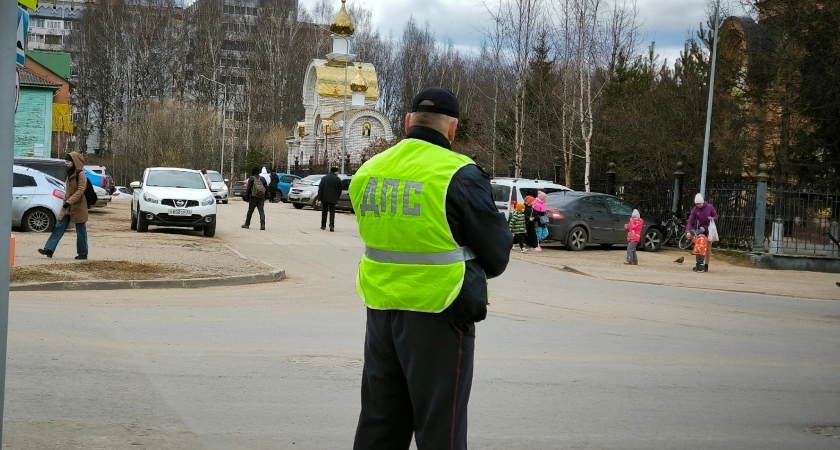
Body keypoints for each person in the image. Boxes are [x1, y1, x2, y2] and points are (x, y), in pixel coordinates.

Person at [349, 87, 512, 450]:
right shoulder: (459, 174)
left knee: (379, 423)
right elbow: (497, 254)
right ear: (452, 130)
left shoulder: (368, 172)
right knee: (441, 428)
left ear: (407, 122)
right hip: (440, 308)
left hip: (381, 310)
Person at [38, 152, 89, 259]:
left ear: (75, 162)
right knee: (59, 227)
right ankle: (49, 249)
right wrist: (66, 201)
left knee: (81, 230)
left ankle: (83, 253)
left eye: (69, 161)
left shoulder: (81, 174)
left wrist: (69, 202)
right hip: (67, 206)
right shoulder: (69, 172)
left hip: (78, 206)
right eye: (66, 161)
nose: (67, 163)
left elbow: (80, 190)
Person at [685, 193, 719, 272]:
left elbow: (716, 216)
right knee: (700, 246)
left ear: (703, 202)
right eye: (697, 204)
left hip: (710, 229)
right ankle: (699, 264)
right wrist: (688, 231)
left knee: (708, 248)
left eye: (700, 203)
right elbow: (690, 221)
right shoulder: (695, 209)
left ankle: (706, 265)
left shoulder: (709, 207)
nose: (698, 205)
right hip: (702, 229)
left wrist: (712, 218)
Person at [318, 167, 342, 232]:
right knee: (332, 212)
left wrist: (319, 198)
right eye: (338, 172)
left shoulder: (324, 178)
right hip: (333, 198)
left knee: (324, 211)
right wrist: (337, 197)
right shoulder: (338, 179)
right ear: (335, 172)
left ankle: (323, 225)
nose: (338, 173)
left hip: (325, 198)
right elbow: (340, 190)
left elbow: (320, 189)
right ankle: (331, 225)